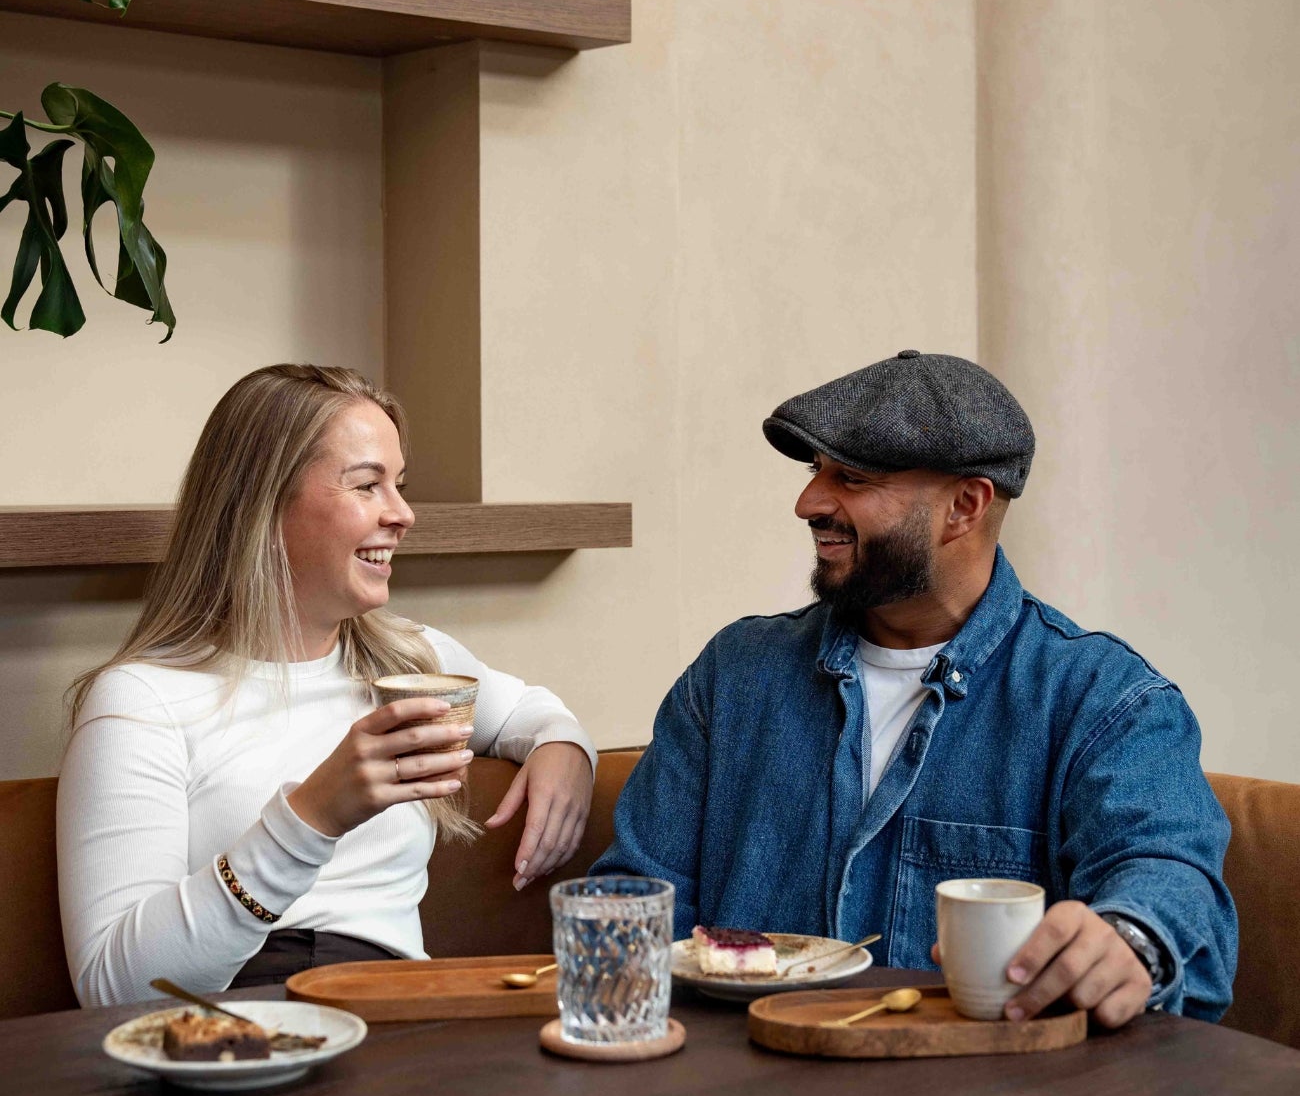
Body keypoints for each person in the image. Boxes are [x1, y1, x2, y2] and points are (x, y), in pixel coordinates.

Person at [595, 350, 1236, 1025]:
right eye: (816, 472)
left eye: (852, 478)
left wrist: (1131, 940)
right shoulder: (735, 674)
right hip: (738, 1080)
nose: (808, 503)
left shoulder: (1103, 700)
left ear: (965, 506)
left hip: (978, 1087)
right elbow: (635, 904)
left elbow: (1167, 875)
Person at [59, 364, 596, 1007]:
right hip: (235, 1026)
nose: (403, 514)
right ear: (262, 504)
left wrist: (565, 748)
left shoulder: (409, 661)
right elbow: (114, 991)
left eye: (398, 485)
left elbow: (527, 713)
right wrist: (312, 817)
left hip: (404, 1013)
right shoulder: (141, 701)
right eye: (367, 485)